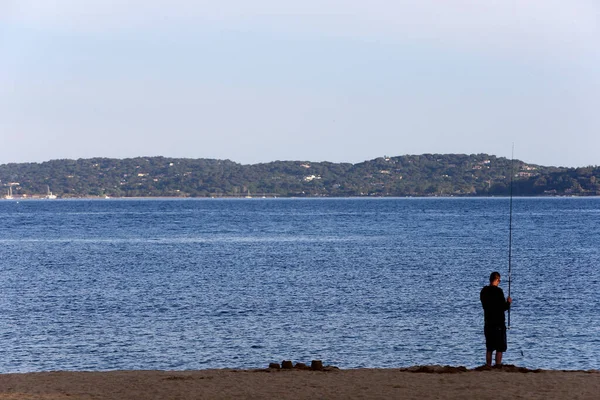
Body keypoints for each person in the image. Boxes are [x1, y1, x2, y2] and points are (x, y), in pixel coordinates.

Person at [480, 271, 512, 366]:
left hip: (488, 323)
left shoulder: (484, 291)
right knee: (499, 348)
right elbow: (503, 307)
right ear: (497, 280)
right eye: (499, 280)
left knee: (489, 348)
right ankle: (498, 365)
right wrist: (508, 302)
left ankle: (488, 366)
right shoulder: (499, 292)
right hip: (498, 324)